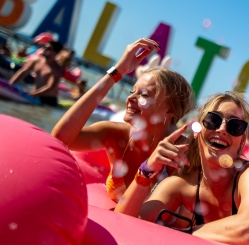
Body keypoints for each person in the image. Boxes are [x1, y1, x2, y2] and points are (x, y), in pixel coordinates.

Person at [114, 91, 249, 245]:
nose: (222, 129)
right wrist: (147, 170)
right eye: (213, 120)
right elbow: (123, 222)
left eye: (235, 126)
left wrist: (179, 236)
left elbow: (248, 229)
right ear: (197, 129)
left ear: (242, 140)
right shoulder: (182, 185)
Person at [52, 38, 195, 201]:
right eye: (132, 91)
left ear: (169, 110)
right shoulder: (115, 135)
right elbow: (60, 140)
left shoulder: (185, 153)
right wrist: (117, 72)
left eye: (144, 95)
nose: (131, 98)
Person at [8, 40, 65, 106]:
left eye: (49, 49)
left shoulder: (57, 69)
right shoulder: (36, 61)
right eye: (44, 47)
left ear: (55, 53)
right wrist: (10, 84)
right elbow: (23, 72)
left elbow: (50, 87)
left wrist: (33, 94)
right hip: (35, 95)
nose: (44, 49)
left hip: (47, 100)